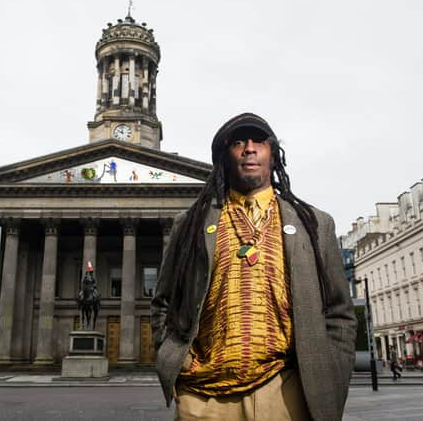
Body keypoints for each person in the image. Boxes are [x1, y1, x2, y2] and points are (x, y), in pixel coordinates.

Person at [151, 113, 357, 421]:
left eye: (258, 141)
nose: (249, 149)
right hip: (203, 397)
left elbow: (340, 312)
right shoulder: (190, 224)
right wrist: (175, 361)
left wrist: (330, 378)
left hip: (286, 392)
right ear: (224, 157)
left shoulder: (314, 224)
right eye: (238, 142)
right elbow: (163, 302)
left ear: (273, 155)